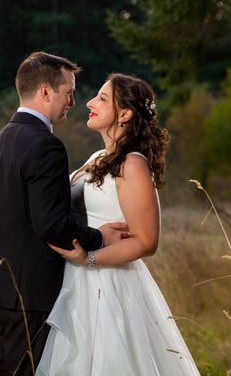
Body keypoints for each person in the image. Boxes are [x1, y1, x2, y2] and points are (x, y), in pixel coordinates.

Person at [36, 73, 200, 375]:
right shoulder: (99, 156)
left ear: (124, 114)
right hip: (77, 283)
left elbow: (146, 240)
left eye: (101, 98)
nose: (89, 103)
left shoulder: (132, 164)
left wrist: (90, 258)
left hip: (110, 286)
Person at [0, 52, 129, 376]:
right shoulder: (45, 145)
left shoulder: (0, 141)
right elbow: (50, 224)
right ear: (46, 91)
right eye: (68, 92)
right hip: (29, 291)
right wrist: (100, 237)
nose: (73, 101)